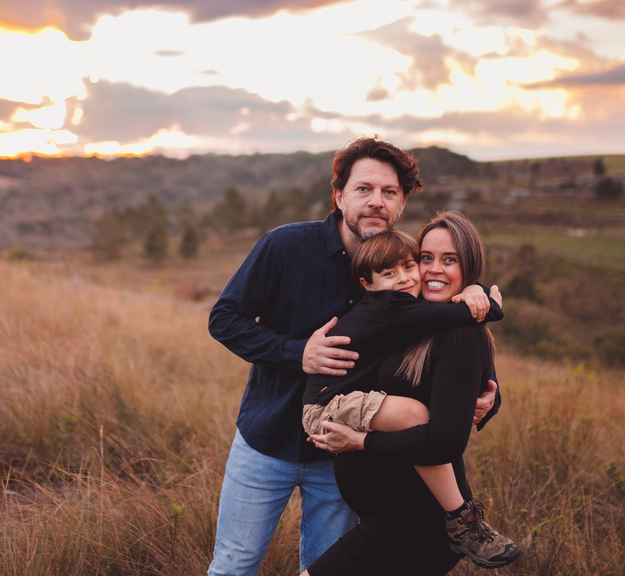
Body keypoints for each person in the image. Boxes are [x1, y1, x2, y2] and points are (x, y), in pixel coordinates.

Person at [207, 137, 500, 576]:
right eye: (364, 189)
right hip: (265, 442)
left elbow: (447, 339)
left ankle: (462, 521)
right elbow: (224, 318)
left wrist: (488, 395)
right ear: (339, 195)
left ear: (402, 203)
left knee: (326, 567)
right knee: (235, 564)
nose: (376, 202)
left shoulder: (405, 268)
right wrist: (297, 352)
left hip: (344, 459)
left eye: (389, 193)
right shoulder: (285, 247)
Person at [303, 211, 521, 576]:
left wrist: (360, 443)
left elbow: (446, 434)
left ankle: (463, 521)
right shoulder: (409, 317)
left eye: (449, 260)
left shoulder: (455, 331)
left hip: (411, 522)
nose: (431, 270)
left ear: (468, 266)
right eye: (426, 258)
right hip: (387, 514)